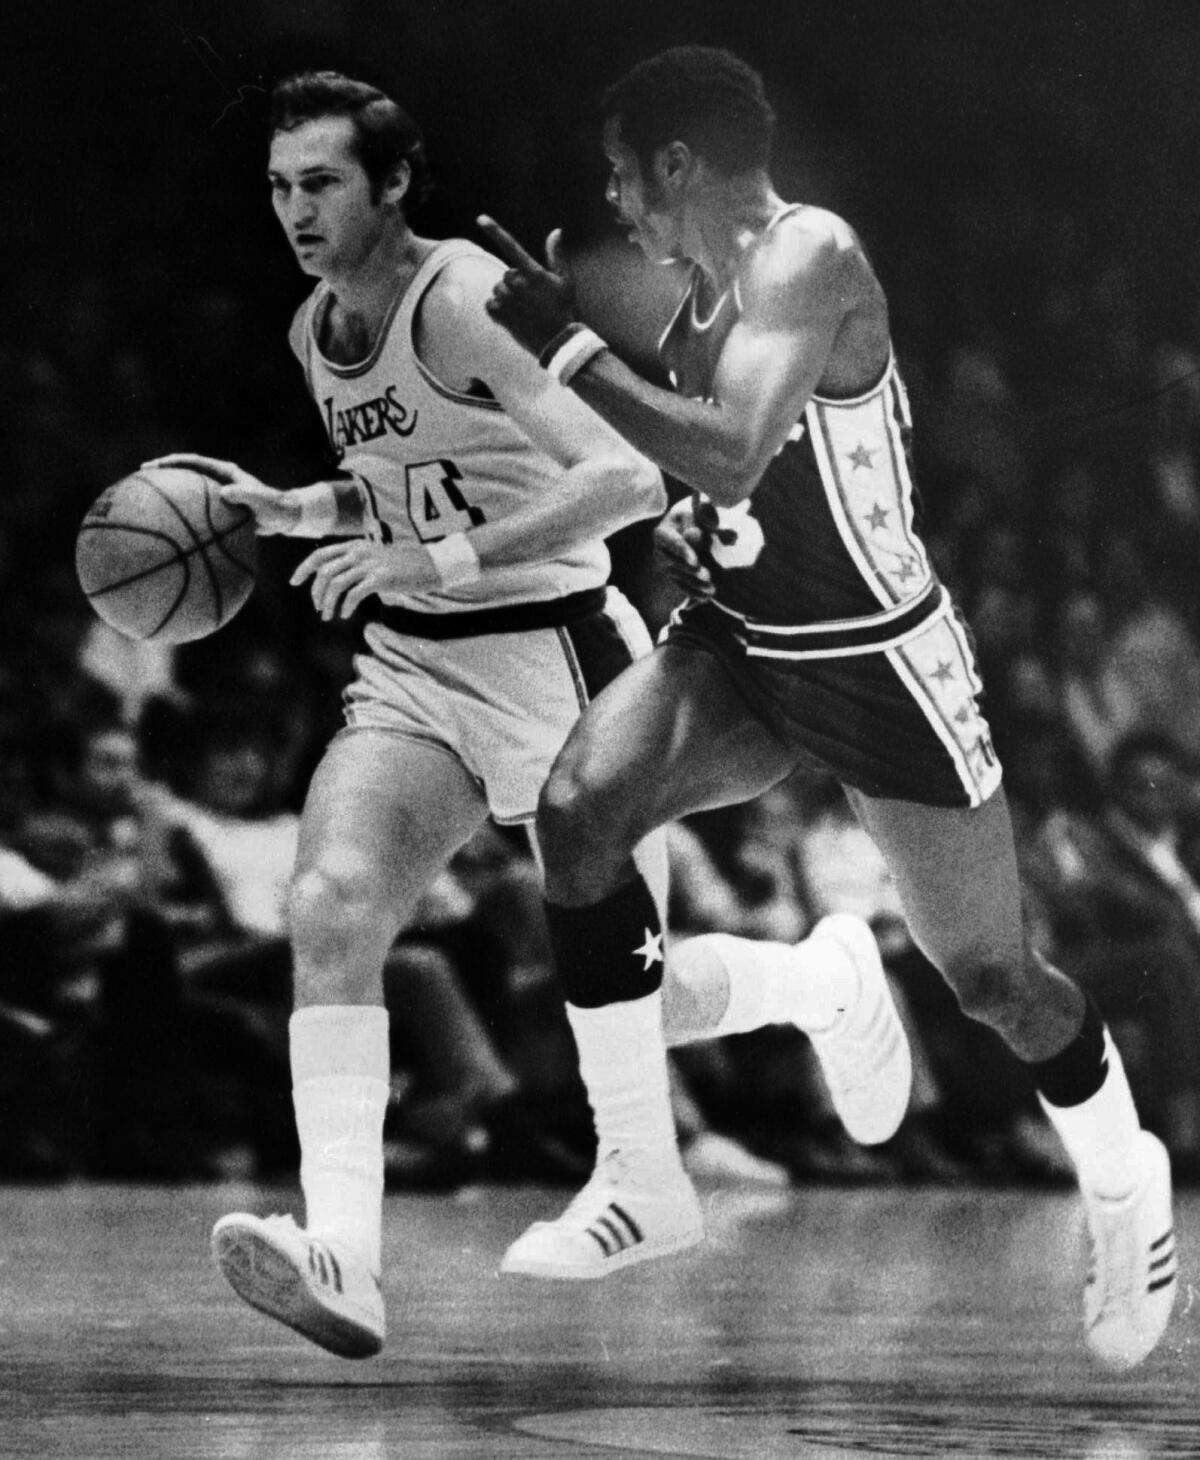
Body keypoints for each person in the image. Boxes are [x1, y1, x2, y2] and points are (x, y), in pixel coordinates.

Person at [145, 70, 903, 1359]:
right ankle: (345, 1258)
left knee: (622, 1000)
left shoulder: (464, 303)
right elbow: (409, 484)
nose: (294, 210)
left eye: (321, 181)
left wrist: (428, 561)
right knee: (331, 906)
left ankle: (822, 981)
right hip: (418, 676)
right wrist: (304, 510)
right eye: (278, 187)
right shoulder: (310, 326)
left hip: (558, 654)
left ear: (392, 185)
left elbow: (623, 478)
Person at [479, 45, 1176, 1371]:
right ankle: (645, 1175)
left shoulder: (809, 257)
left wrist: (565, 343)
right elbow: (712, 466)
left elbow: (736, 449)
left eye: (626, 172)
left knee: (993, 982)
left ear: (679, 162)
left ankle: (1123, 1184)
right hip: (743, 644)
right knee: (577, 818)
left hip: (876, 659)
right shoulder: (694, 295)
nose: (617, 200)